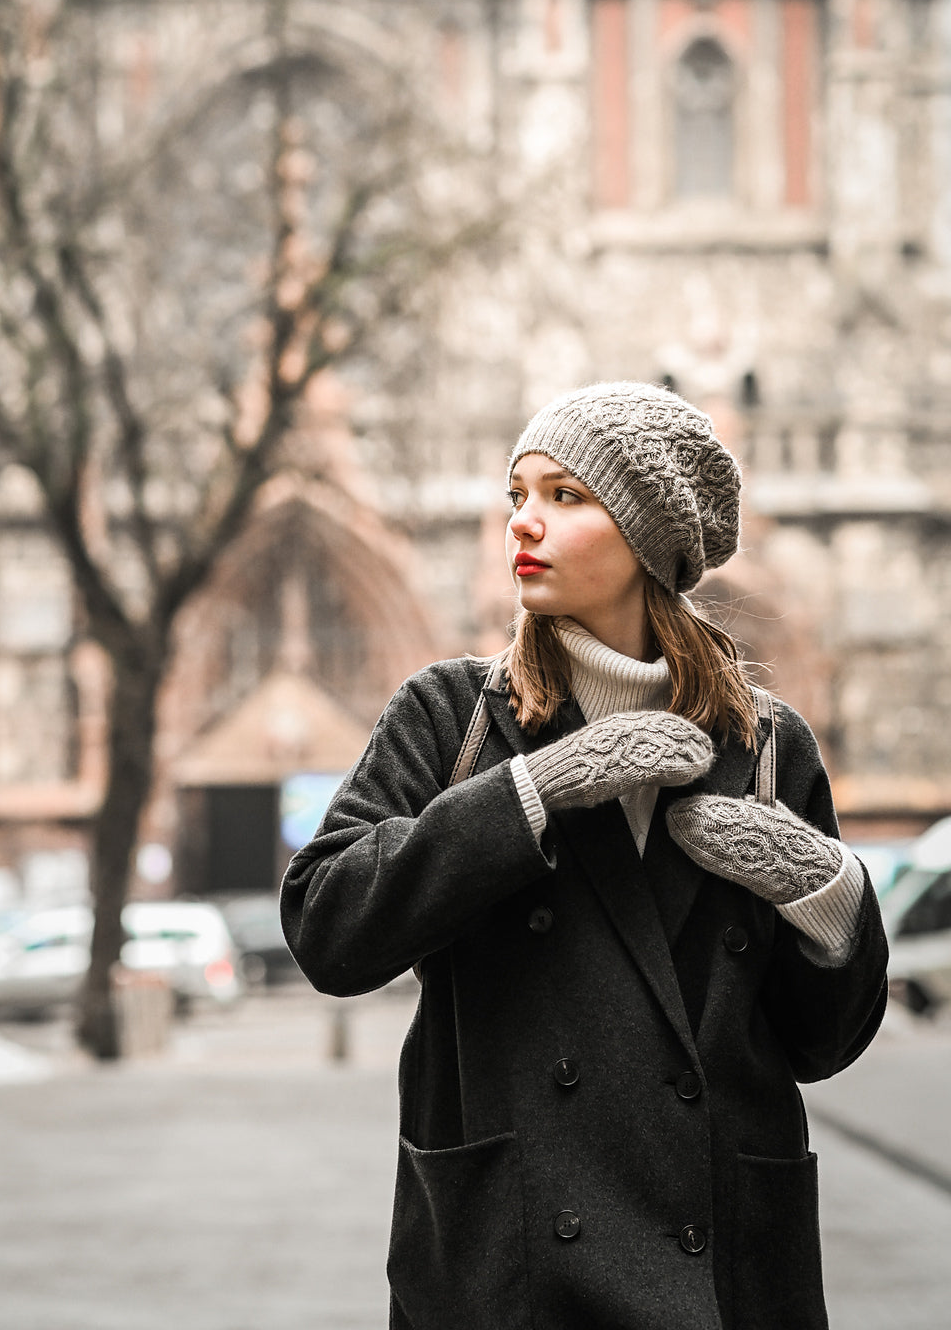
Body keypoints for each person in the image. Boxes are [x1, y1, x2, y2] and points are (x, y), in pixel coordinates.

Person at [280, 381, 888, 1330]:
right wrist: (532, 792)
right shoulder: (455, 719)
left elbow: (821, 1043)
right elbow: (327, 927)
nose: (523, 522)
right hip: (512, 1264)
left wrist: (829, 898)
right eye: (516, 494)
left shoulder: (769, 747)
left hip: (726, 1267)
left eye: (566, 496)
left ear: (649, 538)